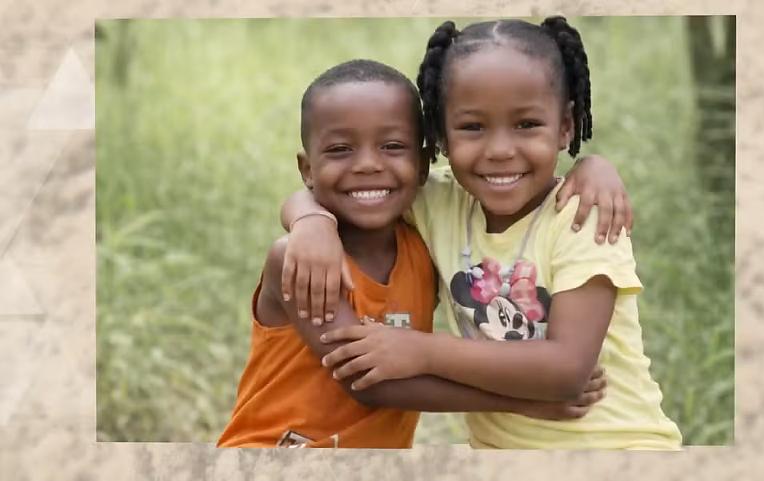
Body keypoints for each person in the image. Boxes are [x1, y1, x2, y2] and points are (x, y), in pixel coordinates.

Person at [282, 17, 682, 449]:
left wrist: (421, 350)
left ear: (565, 126)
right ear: (439, 136)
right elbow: (348, 188)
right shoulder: (441, 205)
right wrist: (310, 220)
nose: (500, 151)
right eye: (473, 127)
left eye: (526, 124)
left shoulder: (583, 216)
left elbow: (567, 370)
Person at [217, 59, 607, 449]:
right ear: (307, 169)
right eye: (339, 149)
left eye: (392, 147)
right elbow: (368, 381)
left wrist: (593, 167)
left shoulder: (423, 247)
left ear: (422, 165)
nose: (368, 165)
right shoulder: (297, 258)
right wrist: (525, 403)